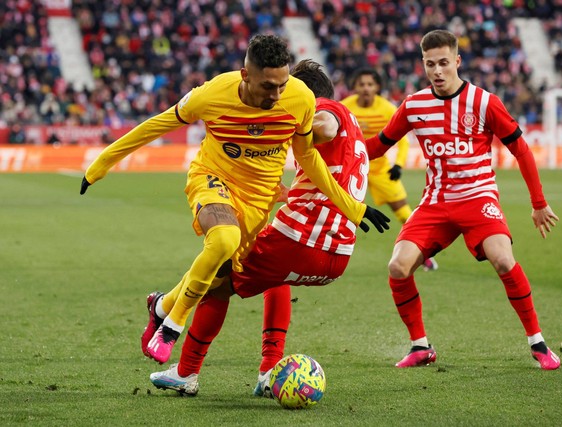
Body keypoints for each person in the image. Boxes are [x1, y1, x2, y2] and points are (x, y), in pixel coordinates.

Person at [79, 35, 390, 365]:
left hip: (258, 199)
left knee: (222, 266)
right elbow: (158, 124)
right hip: (214, 178)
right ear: (246, 75)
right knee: (225, 239)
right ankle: (172, 326)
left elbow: (309, 157)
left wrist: (353, 207)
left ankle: (160, 307)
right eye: (269, 86)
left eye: (282, 85)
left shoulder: (299, 97)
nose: (277, 95)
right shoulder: (212, 94)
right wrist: (101, 164)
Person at [147, 59, 372, 396]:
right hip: (337, 255)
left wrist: (311, 121)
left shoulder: (321, 109)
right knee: (274, 276)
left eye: (285, 89)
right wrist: (290, 192)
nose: (278, 96)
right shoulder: (354, 123)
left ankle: (186, 372)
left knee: (217, 280)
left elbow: (324, 126)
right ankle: (269, 370)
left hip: (299, 241)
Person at [365, 29, 561, 370]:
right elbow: (376, 147)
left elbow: (522, 151)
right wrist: (330, 148)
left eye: (443, 63)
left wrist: (539, 202)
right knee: (397, 266)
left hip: (478, 197)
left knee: (502, 259)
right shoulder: (413, 106)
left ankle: (538, 343)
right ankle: (420, 346)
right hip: (435, 203)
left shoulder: (485, 102)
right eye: (430, 64)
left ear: (457, 61)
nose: (437, 71)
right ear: (423, 65)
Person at [341, 68, 438, 272]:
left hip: (380, 169)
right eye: (361, 84)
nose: (366, 88)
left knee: (403, 211)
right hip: (352, 168)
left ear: (377, 87)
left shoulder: (387, 108)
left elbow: (403, 139)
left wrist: (399, 164)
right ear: (354, 87)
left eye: (370, 84)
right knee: (337, 209)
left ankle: (423, 254)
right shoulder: (344, 107)